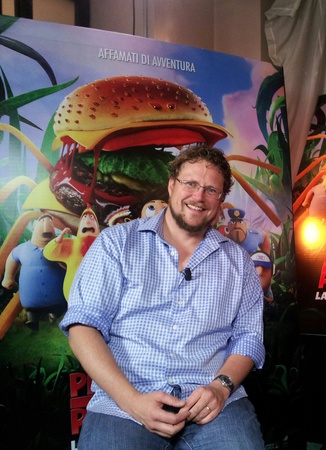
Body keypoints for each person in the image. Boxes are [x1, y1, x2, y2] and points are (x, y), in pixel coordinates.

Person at [60, 144, 265, 449]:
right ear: (171, 185)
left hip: (212, 403)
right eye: (190, 183)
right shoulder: (115, 243)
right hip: (125, 400)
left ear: (220, 199)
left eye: (211, 189)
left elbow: (249, 338)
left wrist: (221, 388)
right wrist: (132, 401)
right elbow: (83, 327)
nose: (199, 196)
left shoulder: (240, 262)